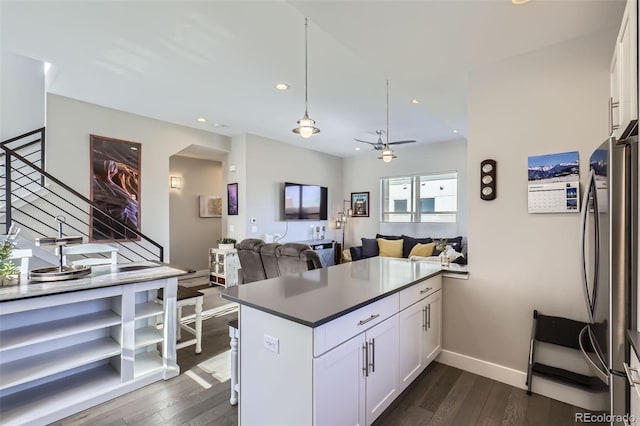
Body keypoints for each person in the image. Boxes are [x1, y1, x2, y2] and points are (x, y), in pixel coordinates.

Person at [91, 159, 139, 240]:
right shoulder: (94, 185)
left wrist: (110, 182)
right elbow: (125, 204)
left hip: (127, 229)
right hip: (121, 230)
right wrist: (109, 181)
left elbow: (133, 205)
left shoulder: (103, 185)